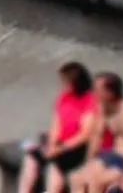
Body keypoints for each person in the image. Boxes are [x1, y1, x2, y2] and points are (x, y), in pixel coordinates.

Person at [18, 62, 102, 193]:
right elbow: (56, 125)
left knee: (56, 163)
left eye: (65, 82)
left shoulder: (89, 100)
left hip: (77, 147)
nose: (62, 85)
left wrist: (60, 149)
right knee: (31, 157)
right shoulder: (63, 98)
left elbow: (85, 135)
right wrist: (52, 144)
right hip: (60, 144)